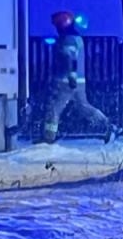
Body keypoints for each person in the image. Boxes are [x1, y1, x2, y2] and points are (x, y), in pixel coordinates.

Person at [42, 10, 116, 144]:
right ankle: (107, 124)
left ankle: (48, 138)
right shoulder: (77, 38)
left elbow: (69, 59)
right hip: (80, 81)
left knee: (53, 108)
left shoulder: (67, 39)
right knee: (83, 106)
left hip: (65, 81)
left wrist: (71, 76)